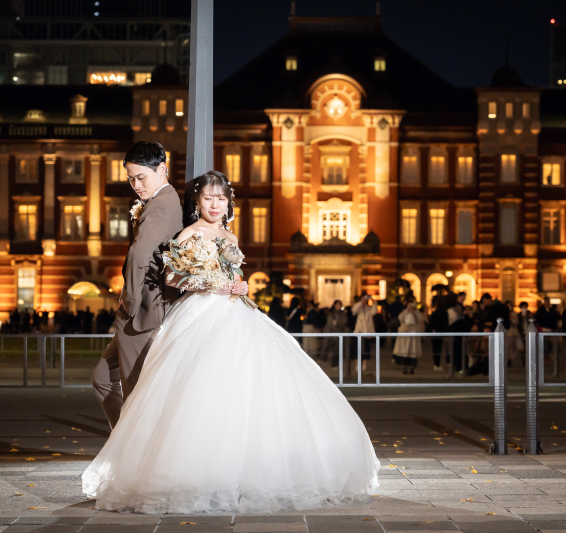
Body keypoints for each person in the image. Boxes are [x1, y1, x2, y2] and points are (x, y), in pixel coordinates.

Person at [83, 170, 378, 514]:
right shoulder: (189, 233)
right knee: (200, 388)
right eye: (208, 198)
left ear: (228, 203)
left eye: (220, 198)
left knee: (249, 386)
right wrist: (210, 284)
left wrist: (242, 285)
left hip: (235, 312)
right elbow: (173, 276)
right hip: (199, 313)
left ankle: (245, 467)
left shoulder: (230, 235)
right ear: (198, 201)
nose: (214, 204)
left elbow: (235, 274)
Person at [90, 141, 184, 429]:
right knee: (102, 378)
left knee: (135, 393)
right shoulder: (162, 201)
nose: (135, 185)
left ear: (162, 169)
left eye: (141, 177)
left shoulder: (160, 206)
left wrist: (128, 304)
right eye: (131, 179)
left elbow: (138, 255)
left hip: (141, 312)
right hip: (143, 310)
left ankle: (135, 445)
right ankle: (125, 441)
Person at [392, 300, 427, 374]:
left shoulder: (417, 312)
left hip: (413, 334)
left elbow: (420, 319)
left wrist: (415, 311)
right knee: (404, 352)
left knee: (413, 352)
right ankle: (404, 367)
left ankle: (412, 367)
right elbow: (400, 318)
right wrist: (407, 310)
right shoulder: (404, 312)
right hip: (405, 334)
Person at [351, 294, 377, 372]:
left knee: (366, 349)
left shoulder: (369, 308)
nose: (364, 300)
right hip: (358, 331)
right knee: (357, 349)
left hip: (367, 332)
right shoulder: (359, 308)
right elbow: (354, 310)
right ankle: (357, 365)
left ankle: (364, 365)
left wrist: (372, 300)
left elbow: (374, 311)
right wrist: (361, 302)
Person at [324, 300, 348, 366]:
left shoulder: (343, 314)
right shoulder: (331, 314)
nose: (338, 306)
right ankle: (323, 360)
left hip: (339, 334)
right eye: (337, 304)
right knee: (326, 347)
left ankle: (334, 364)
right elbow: (329, 323)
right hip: (331, 334)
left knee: (337, 350)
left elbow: (344, 323)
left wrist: (337, 323)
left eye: (339, 304)